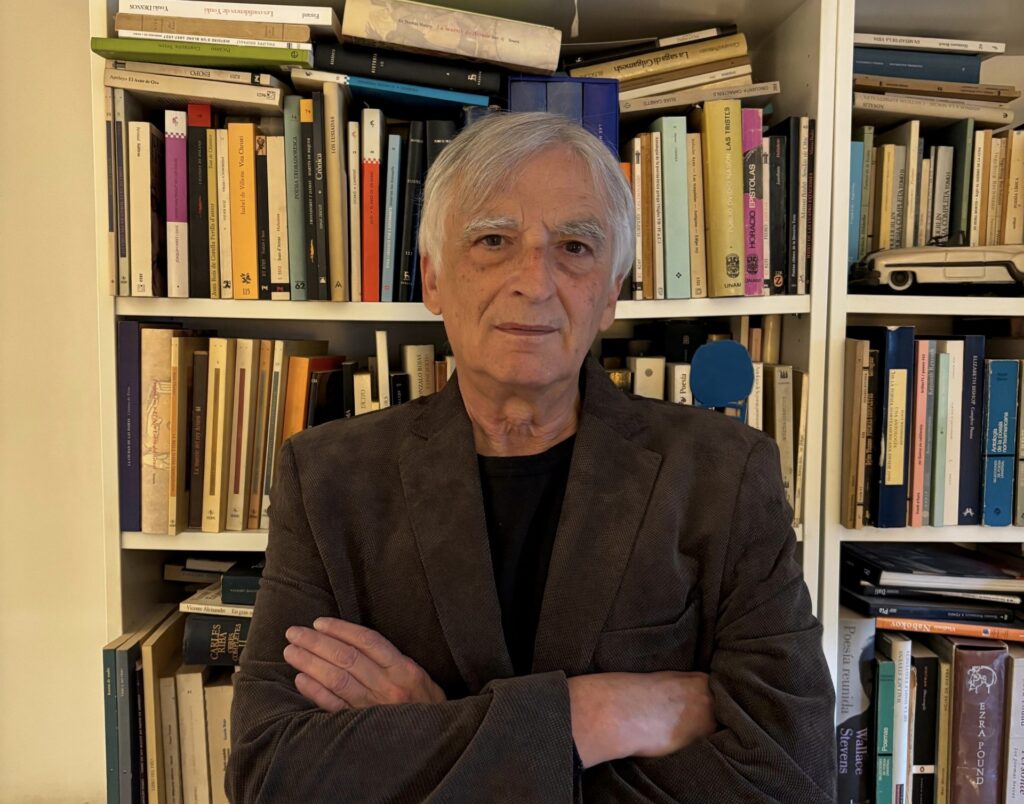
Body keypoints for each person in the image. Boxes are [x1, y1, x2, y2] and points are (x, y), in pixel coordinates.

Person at [227, 112, 836, 803]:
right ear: (432, 279)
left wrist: (439, 731)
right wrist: (595, 715)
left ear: (610, 293)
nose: (535, 281)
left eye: (575, 246)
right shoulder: (327, 479)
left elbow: (792, 780)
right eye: (493, 240)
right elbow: (271, 776)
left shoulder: (726, 475)